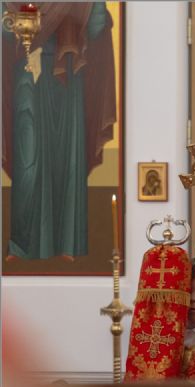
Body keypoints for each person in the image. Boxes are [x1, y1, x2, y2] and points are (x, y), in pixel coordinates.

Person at [2, 3, 117, 261]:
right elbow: (4, 27)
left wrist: (90, 8)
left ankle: (68, 242)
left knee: (67, 158)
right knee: (27, 161)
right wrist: (20, 26)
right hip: (28, 73)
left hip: (68, 72)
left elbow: (96, 25)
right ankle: (21, 244)